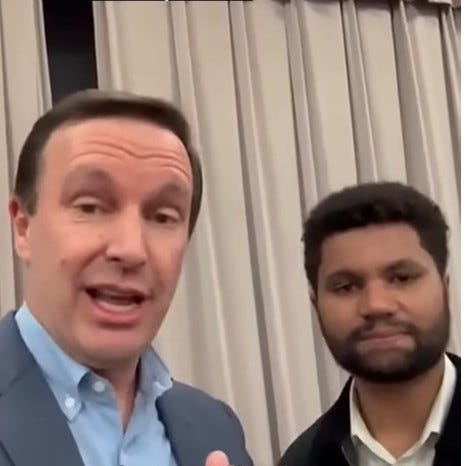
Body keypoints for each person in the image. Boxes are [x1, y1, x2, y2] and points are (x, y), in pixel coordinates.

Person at [0, 89, 252, 466]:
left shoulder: (216, 427)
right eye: (91, 207)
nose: (131, 249)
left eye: (162, 216)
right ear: (23, 227)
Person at [279, 182, 460, 466]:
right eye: (346, 287)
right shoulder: (300, 461)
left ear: (445, 287)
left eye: (401, 278)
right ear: (316, 305)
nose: (376, 305)